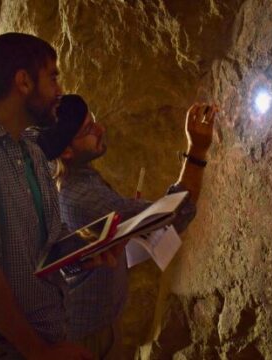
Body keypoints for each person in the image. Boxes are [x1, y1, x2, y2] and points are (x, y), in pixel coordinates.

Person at [37, 94, 216, 359]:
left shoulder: (64, 178)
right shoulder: (83, 196)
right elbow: (176, 214)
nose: (101, 129)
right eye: (88, 129)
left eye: (93, 120)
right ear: (66, 150)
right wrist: (197, 150)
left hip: (89, 324)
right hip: (90, 336)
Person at [0, 33, 95, 359]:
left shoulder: (33, 153)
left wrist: (90, 248)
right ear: (24, 81)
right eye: (52, 76)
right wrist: (38, 353)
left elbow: (50, 244)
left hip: (52, 335)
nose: (59, 91)